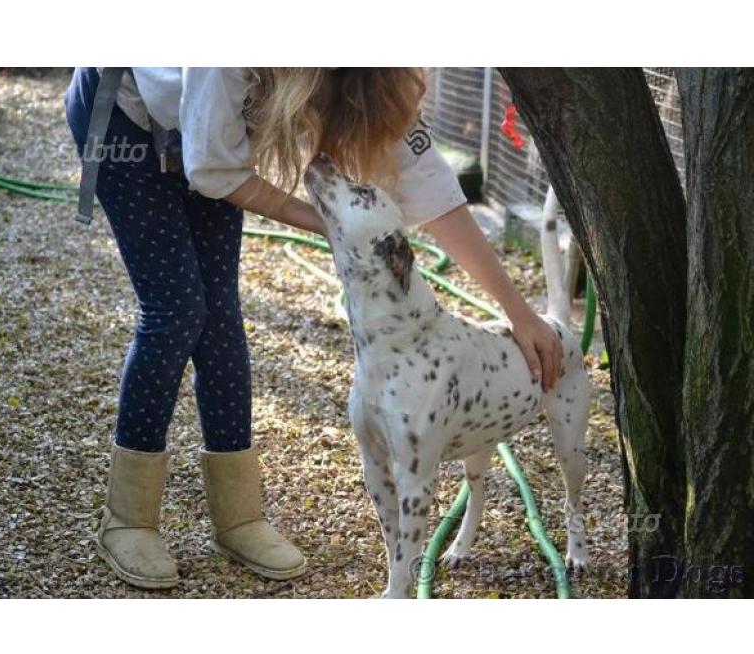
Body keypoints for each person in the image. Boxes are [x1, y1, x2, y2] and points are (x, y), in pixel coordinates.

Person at [65, 67, 563, 590]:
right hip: (127, 119)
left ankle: (239, 517)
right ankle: (128, 520)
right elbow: (214, 169)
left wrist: (518, 312)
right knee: (178, 310)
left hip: (209, 132)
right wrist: (327, 222)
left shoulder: (362, 74)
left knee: (220, 321)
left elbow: (431, 186)